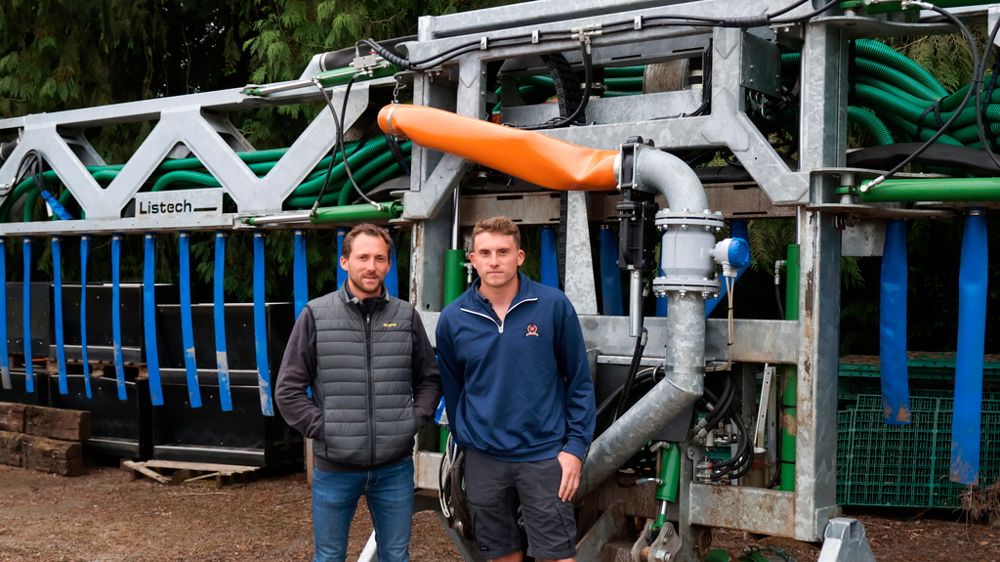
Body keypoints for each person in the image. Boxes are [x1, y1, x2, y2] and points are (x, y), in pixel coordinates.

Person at [275, 223, 440, 562]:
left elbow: (429, 379)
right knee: (330, 556)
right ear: (344, 262)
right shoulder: (316, 315)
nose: (371, 266)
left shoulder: (405, 316)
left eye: (380, 258)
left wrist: (413, 420)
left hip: (394, 468)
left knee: (396, 554)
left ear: (389, 265)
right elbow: (288, 389)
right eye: (363, 257)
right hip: (335, 467)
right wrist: (326, 429)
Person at [435, 216, 596, 562]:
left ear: (519, 256)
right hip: (484, 459)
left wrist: (575, 448)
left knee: (557, 555)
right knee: (503, 555)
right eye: (486, 253)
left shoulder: (553, 306)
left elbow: (579, 382)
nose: (494, 261)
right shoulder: (453, 318)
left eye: (503, 252)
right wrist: (468, 438)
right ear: (472, 259)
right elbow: (453, 387)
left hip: (543, 456)